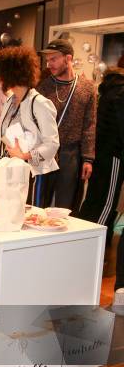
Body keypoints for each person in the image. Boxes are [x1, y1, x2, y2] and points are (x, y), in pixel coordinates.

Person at [78, 67, 124, 313]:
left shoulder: (109, 89)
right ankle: (91, 258)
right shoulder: (121, 93)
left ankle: (85, 253)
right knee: (105, 207)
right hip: (114, 156)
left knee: (94, 204)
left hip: (101, 155)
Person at [0, 46, 59, 205]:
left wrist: (23, 155)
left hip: (34, 174)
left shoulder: (40, 103)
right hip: (11, 171)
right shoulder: (10, 100)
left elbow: (52, 144)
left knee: (30, 217)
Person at [37, 39, 97, 210]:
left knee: (67, 205)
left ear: (68, 58)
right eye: (47, 60)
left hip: (71, 153)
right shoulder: (44, 86)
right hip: (46, 151)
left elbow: (89, 125)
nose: (49, 64)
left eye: (53, 59)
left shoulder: (86, 88)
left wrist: (88, 159)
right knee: (38, 203)